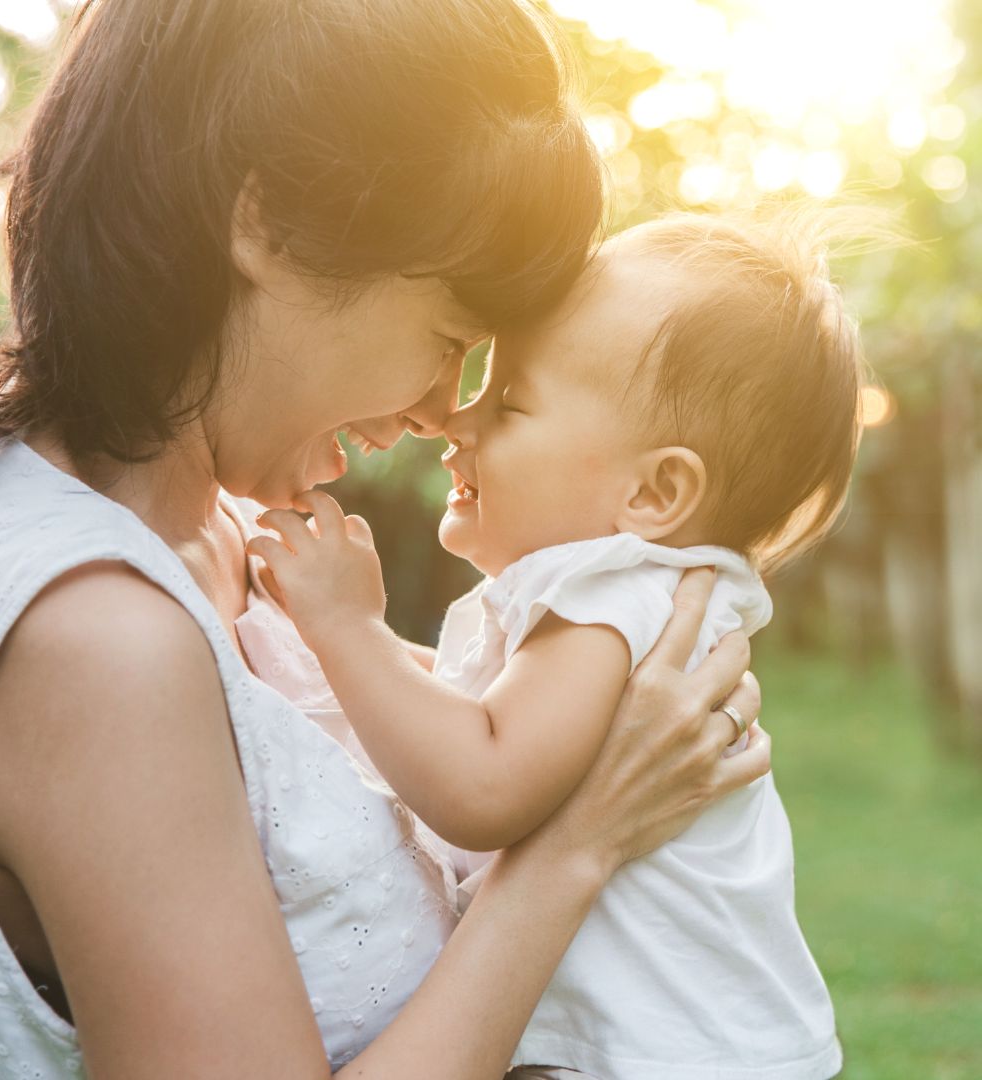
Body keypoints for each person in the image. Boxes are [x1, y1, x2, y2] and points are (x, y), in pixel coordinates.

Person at [0, 2, 766, 1077]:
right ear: (265, 225)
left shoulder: (185, 532)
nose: (443, 410)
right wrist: (576, 846)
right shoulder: (97, 645)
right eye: (449, 337)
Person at [246, 211, 853, 1079]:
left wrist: (346, 630)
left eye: (510, 401)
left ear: (656, 491)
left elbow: (484, 783)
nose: (459, 419)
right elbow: (487, 709)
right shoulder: (636, 599)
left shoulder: (612, 595)